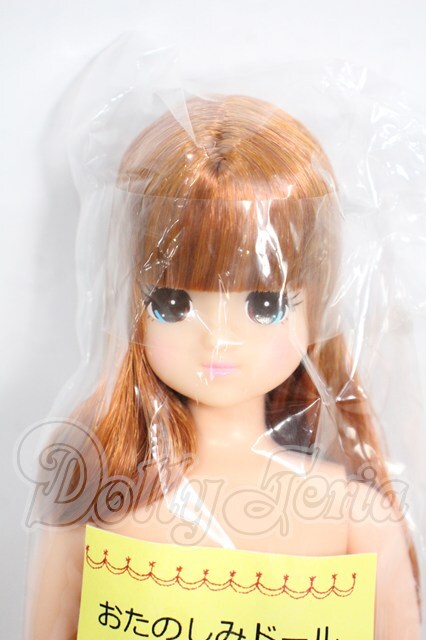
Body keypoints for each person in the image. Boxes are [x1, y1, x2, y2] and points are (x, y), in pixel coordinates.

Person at [27, 94, 420, 639]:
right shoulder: (97, 500)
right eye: (171, 304)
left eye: (265, 305)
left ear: (318, 306)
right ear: (128, 303)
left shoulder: (357, 516)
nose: (218, 339)